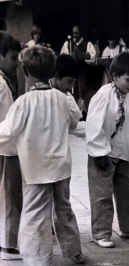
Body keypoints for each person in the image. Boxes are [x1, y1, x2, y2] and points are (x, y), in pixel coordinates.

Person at [0, 45, 84, 266]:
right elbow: (75, 122)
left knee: (36, 214)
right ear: (53, 72)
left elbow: (7, 131)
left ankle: (38, 260)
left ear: (26, 73)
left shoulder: (23, 103)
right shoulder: (62, 98)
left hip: (36, 170)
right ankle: (74, 251)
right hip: (62, 167)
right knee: (64, 208)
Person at [86, 52, 129, 248]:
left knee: (128, 192)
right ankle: (101, 232)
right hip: (102, 153)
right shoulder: (103, 95)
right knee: (102, 194)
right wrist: (99, 152)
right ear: (115, 75)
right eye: (128, 79)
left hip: (122, 153)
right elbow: (93, 125)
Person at [0, 31, 22, 260]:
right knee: (11, 197)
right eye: (13, 58)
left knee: (13, 196)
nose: (17, 63)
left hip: (10, 146)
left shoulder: (7, 78)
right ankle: (7, 243)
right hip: (4, 145)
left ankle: (9, 242)